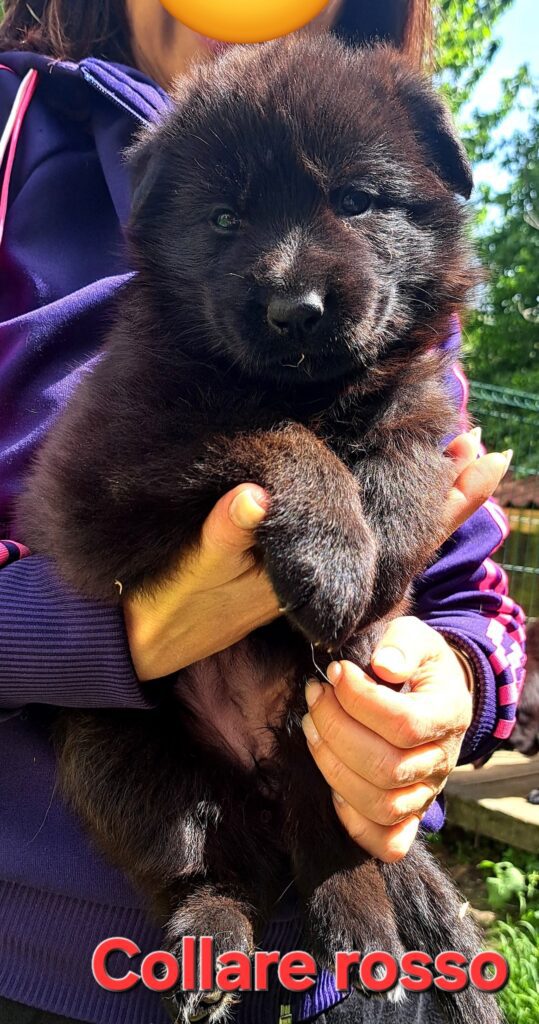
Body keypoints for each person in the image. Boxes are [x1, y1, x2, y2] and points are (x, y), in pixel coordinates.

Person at [0, 2, 525, 1023]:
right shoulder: (25, 144)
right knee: (117, 760)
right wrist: (123, 633)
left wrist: (446, 692)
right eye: (226, 224)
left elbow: (467, 601)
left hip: (357, 920)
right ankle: (207, 893)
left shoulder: (407, 320)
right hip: (61, 946)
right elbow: (108, 485)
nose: (292, 283)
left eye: (356, 202)